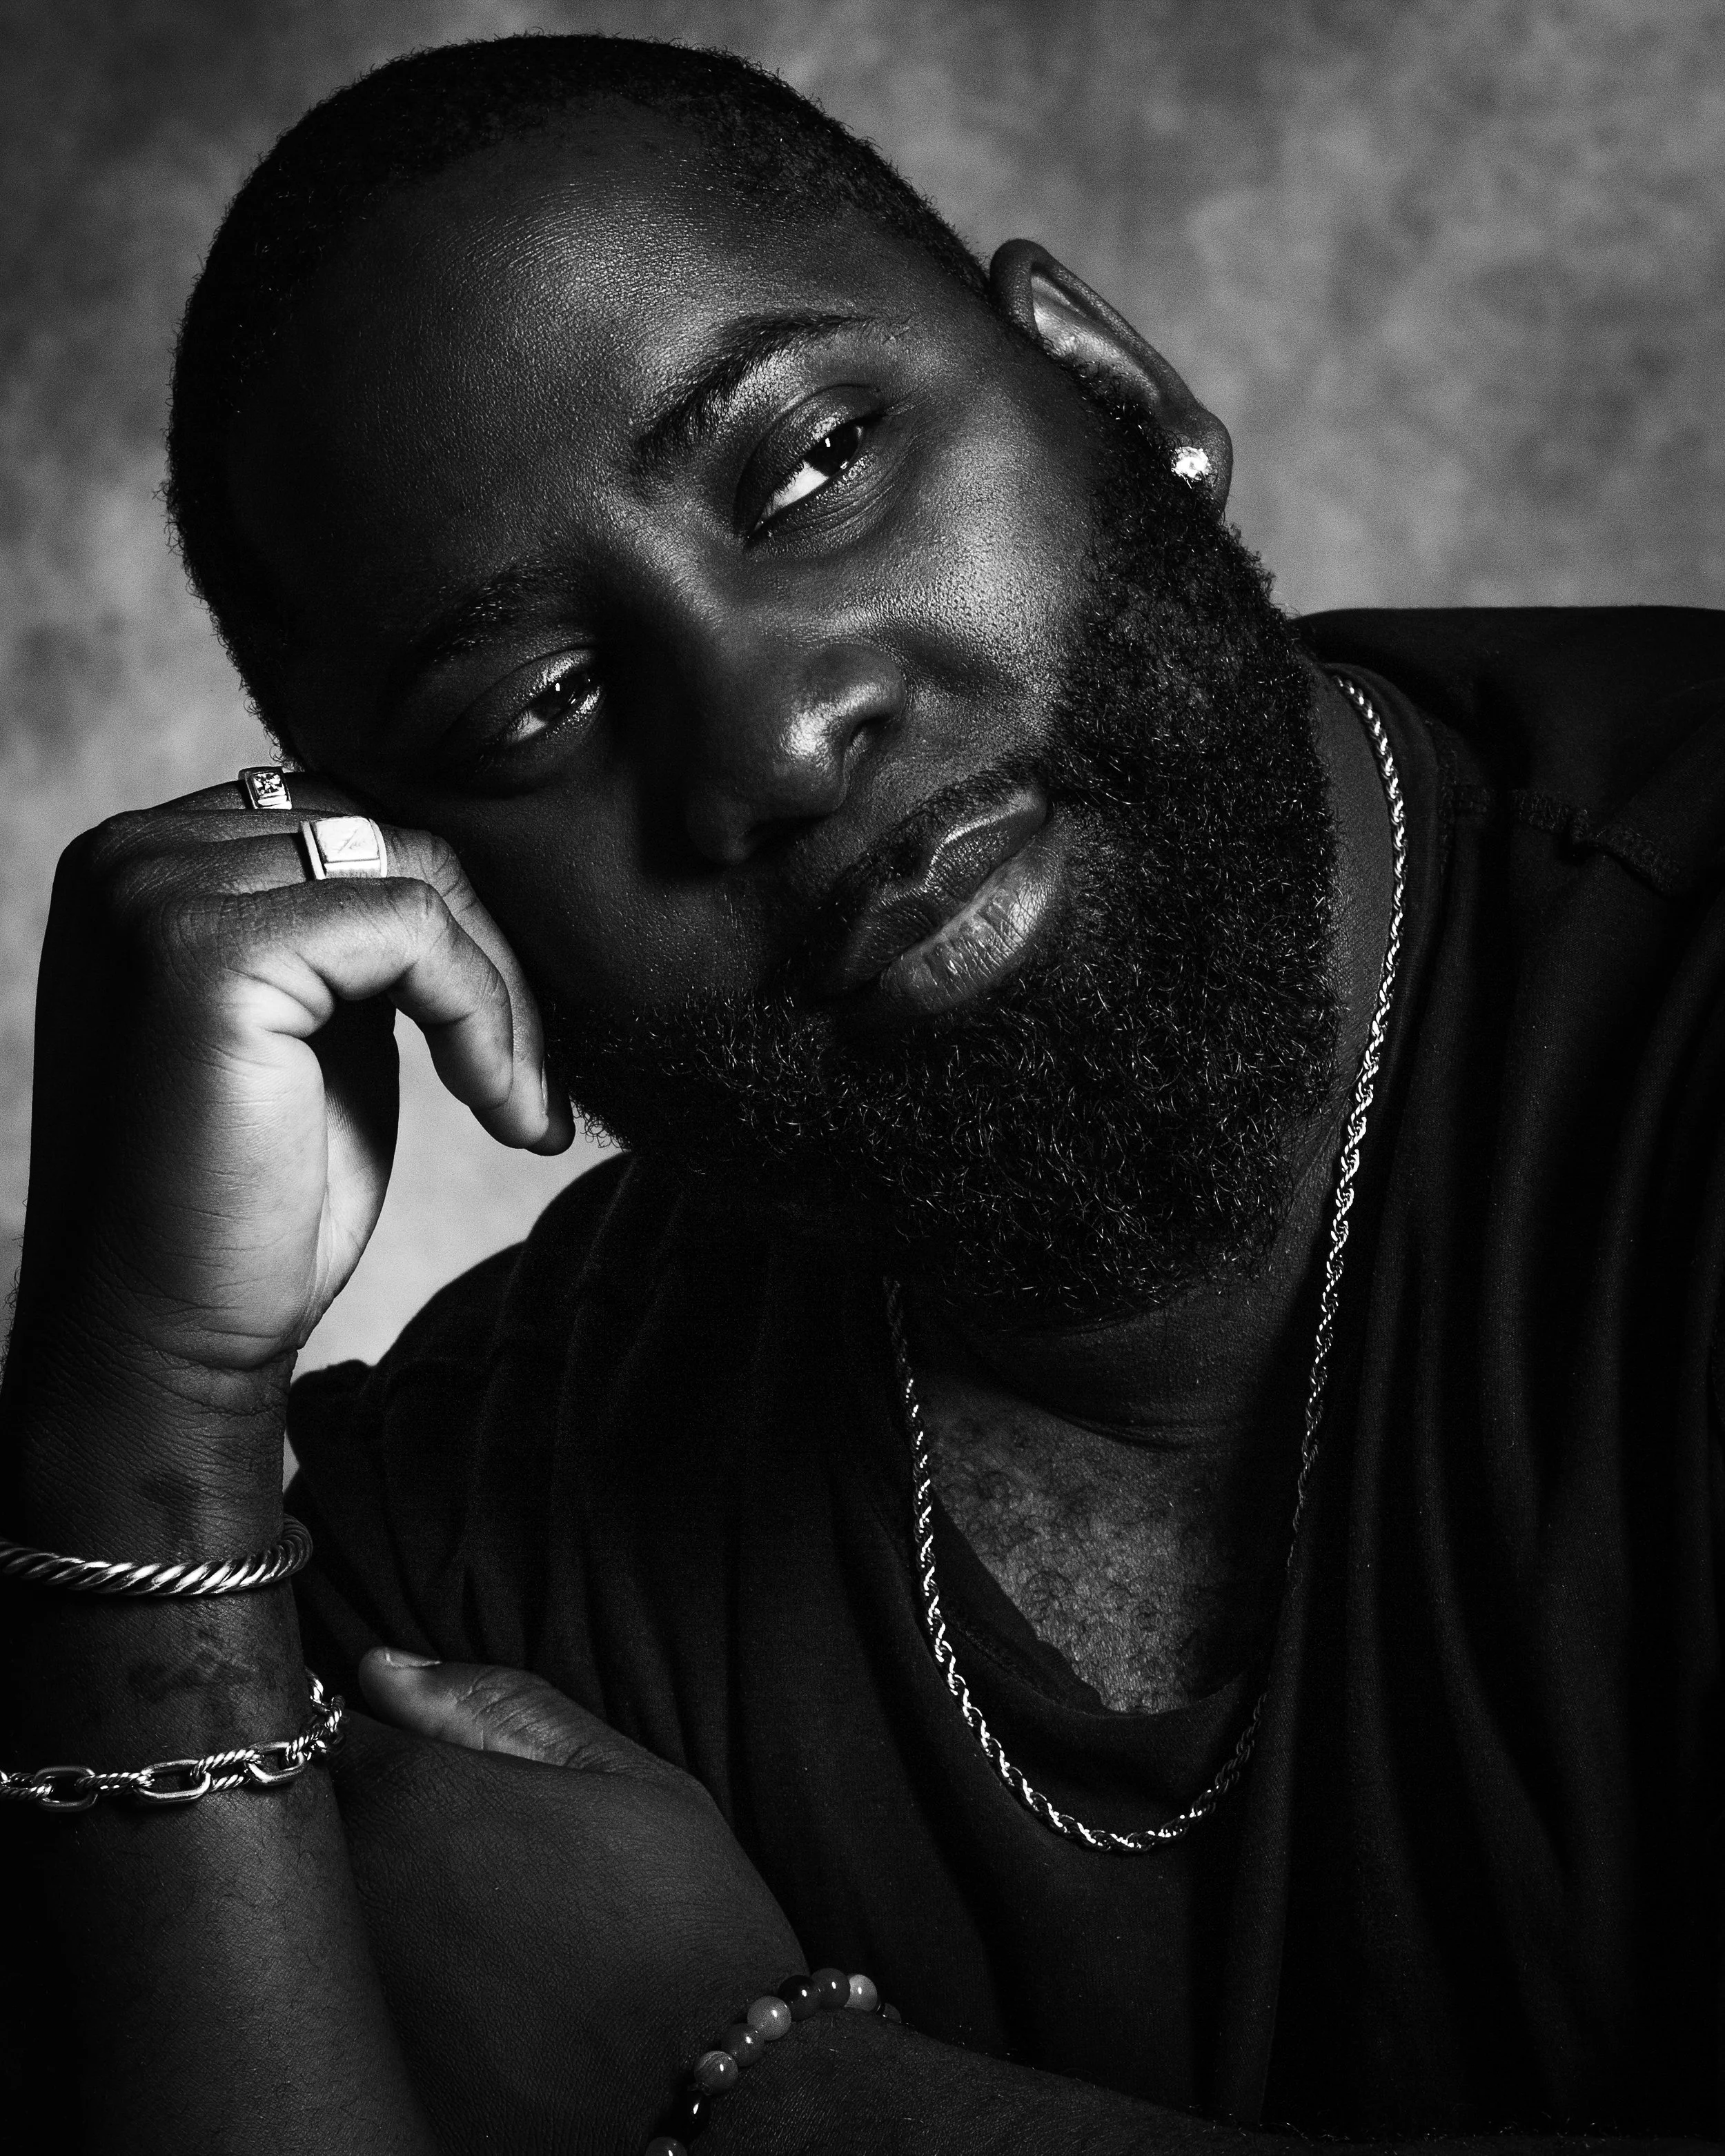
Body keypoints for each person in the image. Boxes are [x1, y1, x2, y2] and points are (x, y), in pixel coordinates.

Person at [0, 31, 1719, 2153]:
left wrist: (762, 2093)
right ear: (426, 897)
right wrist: (138, 1401)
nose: (775, 729)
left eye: (812, 466)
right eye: (539, 701)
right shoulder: (474, 1553)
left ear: (1111, 383)